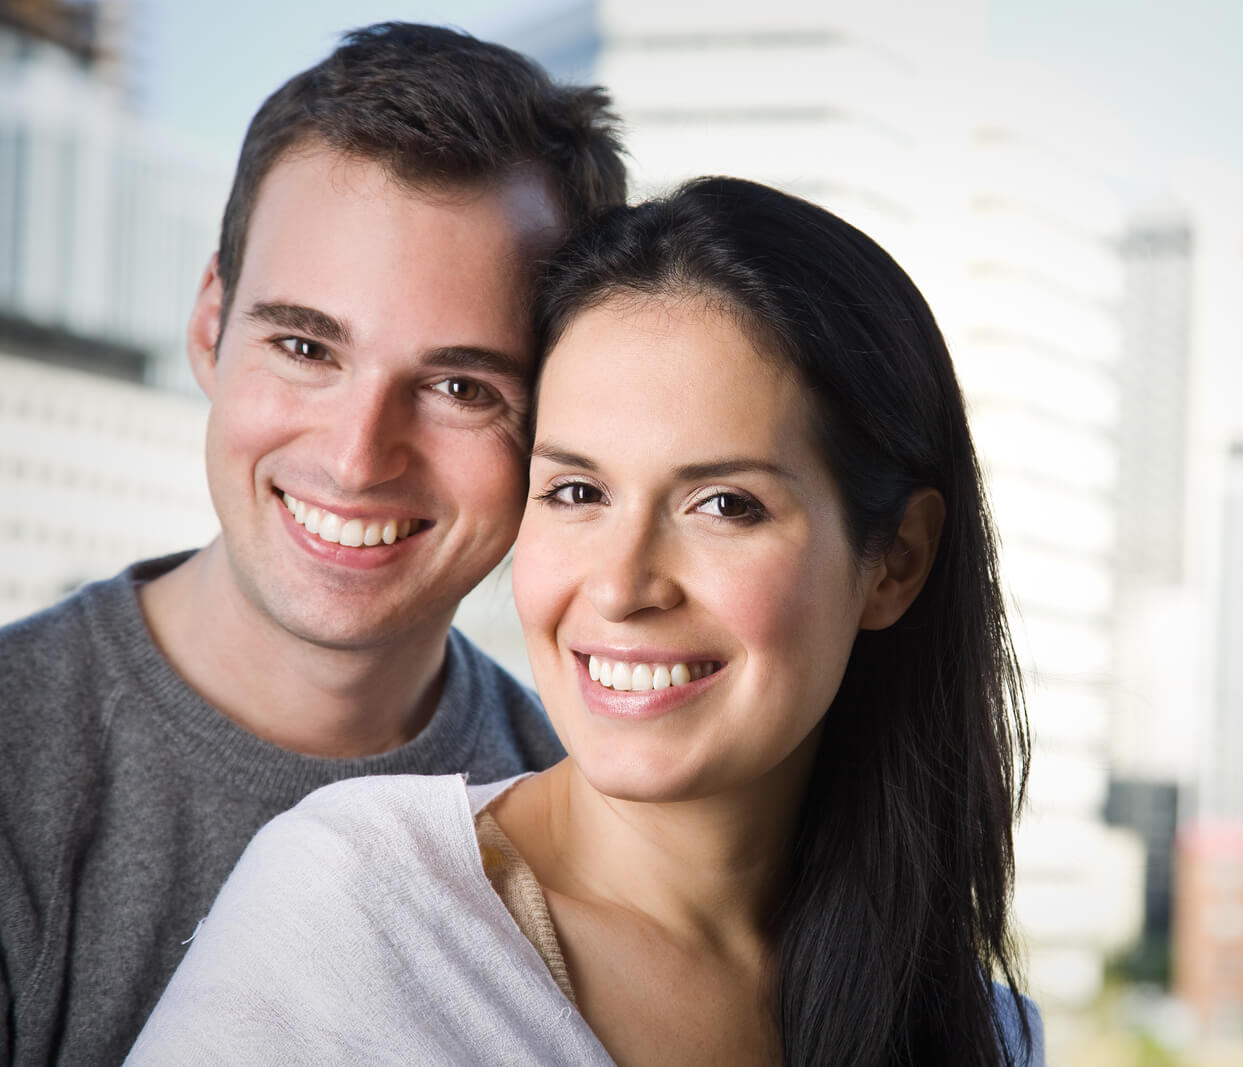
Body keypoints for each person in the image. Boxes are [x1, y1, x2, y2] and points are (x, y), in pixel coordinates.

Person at [129, 177, 1042, 1065]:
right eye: (577, 491)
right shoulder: (357, 913)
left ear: (899, 561)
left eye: (724, 505)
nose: (621, 585)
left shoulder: (986, 1031)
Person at [0, 22, 626, 1065]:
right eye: (303, 345)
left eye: (460, 386)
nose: (356, 453)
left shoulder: (580, 816)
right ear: (210, 325)